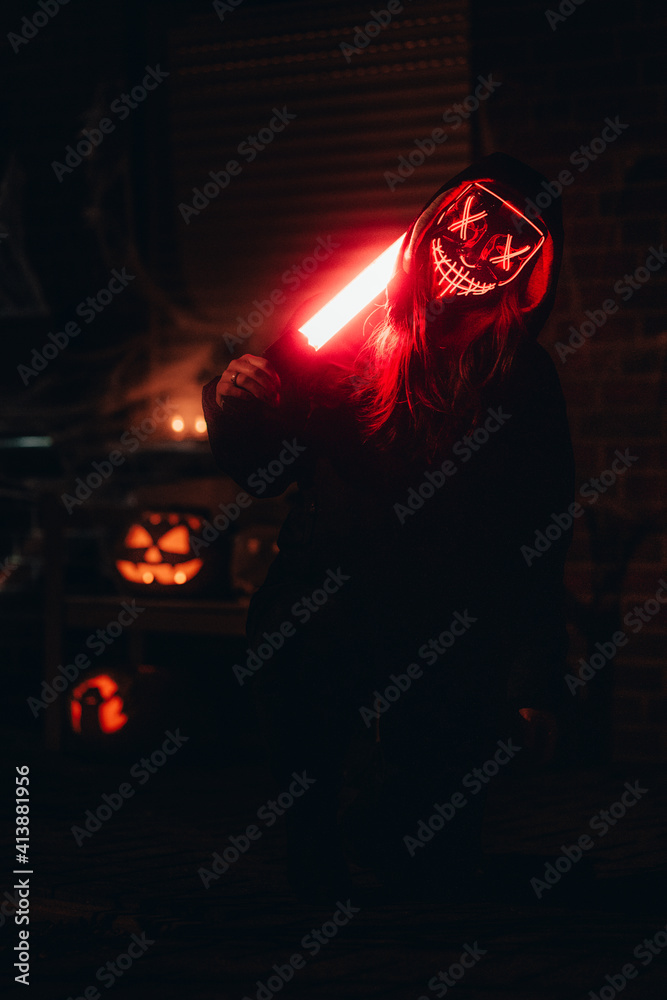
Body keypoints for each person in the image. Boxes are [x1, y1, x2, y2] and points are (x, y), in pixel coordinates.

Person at [202, 153, 574, 902]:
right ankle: (317, 856)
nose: (475, 252)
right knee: (303, 675)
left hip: (445, 613)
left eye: (506, 243)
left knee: (429, 864)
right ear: (434, 223)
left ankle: (393, 833)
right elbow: (267, 467)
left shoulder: (521, 381)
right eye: (467, 225)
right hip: (327, 593)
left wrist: (535, 680)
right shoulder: (342, 333)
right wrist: (234, 400)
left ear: (528, 270)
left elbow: (540, 528)